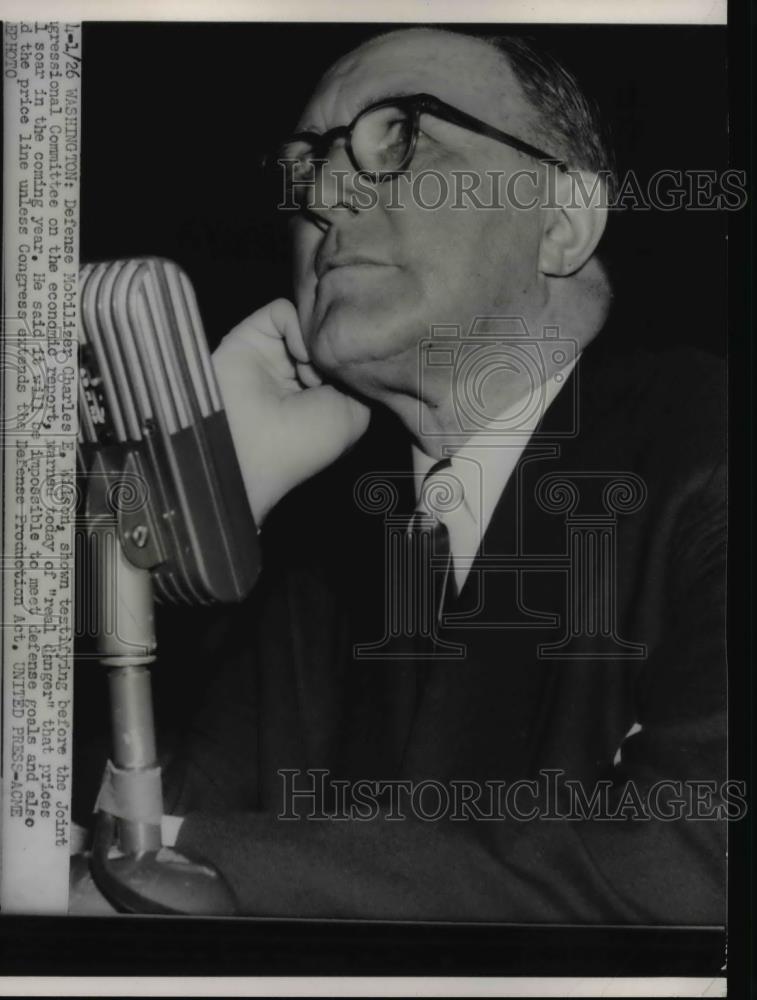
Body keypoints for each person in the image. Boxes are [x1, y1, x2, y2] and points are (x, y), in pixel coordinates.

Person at [93, 27, 731, 922]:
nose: (322, 193)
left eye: (400, 137)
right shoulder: (320, 562)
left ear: (560, 220)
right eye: (304, 162)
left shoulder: (708, 452)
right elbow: (85, 833)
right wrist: (195, 504)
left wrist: (177, 862)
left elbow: (694, 871)